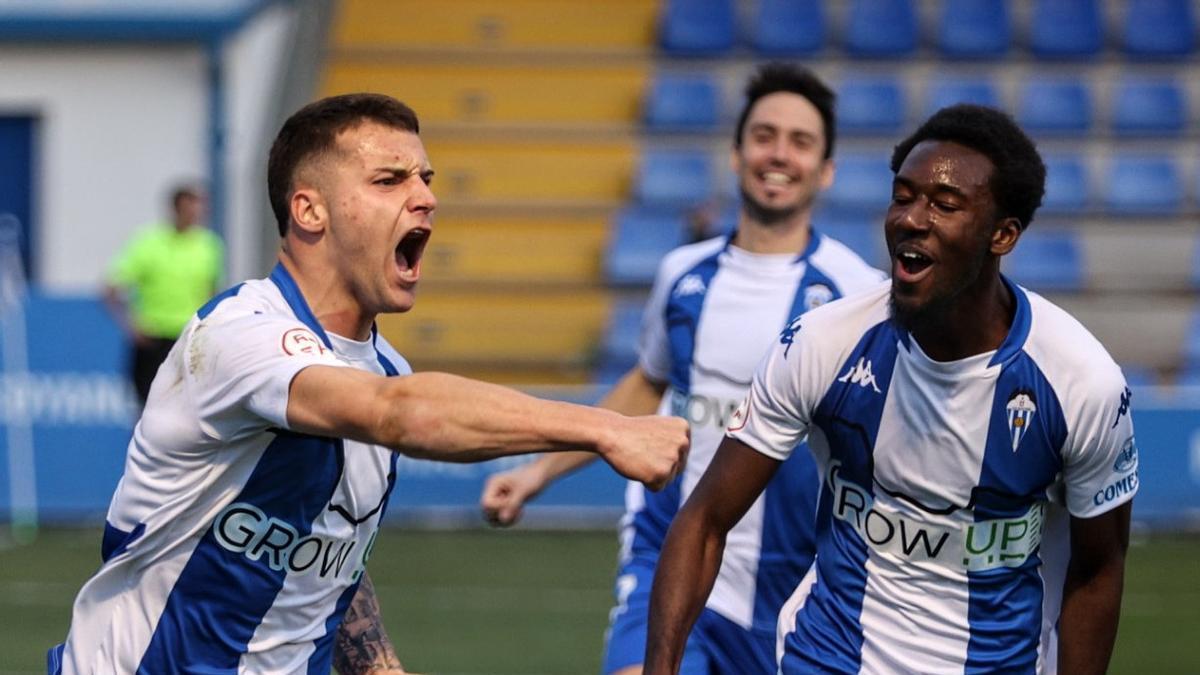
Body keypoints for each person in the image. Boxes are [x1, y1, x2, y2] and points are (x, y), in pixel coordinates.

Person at [50, 93, 689, 675]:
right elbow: (400, 414)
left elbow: (331, 557)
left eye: (426, 180)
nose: (426, 197)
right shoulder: (239, 335)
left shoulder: (386, 369)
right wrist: (608, 428)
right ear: (309, 209)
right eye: (389, 180)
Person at [644, 104, 1137, 675]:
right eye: (903, 196)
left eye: (945, 206)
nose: (912, 218)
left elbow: (1099, 570)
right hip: (827, 658)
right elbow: (703, 520)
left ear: (1003, 235)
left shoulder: (1080, 382)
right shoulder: (823, 343)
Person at [480, 63, 884, 675]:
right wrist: (539, 474)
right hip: (670, 555)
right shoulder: (682, 275)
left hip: (797, 584)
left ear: (825, 170)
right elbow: (648, 383)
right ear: (736, 153)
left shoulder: (858, 294)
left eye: (800, 142)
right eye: (764, 135)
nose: (779, 154)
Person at [104, 184, 224, 406]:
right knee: (148, 405)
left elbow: (212, 291)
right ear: (176, 209)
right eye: (190, 208)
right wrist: (131, 326)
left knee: (191, 407)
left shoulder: (210, 245)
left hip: (189, 337)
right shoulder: (149, 243)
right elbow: (111, 289)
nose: (195, 214)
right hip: (154, 338)